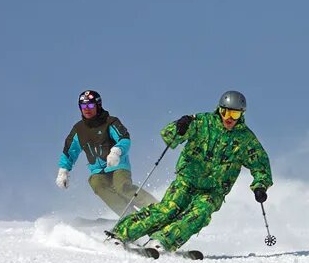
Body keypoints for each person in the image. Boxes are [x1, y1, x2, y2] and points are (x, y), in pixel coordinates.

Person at [110, 91, 272, 252]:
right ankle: (120, 234)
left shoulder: (246, 139)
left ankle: (162, 241)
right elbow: (168, 135)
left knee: (199, 214)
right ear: (219, 109)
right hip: (187, 180)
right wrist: (180, 125)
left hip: (213, 191)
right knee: (168, 209)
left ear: (241, 115)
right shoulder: (202, 122)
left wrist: (260, 186)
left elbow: (260, 165)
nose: (229, 118)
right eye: (225, 112)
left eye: (234, 114)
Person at [56, 90, 158, 214]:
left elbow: (124, 139)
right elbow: (69, 150)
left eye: (90, 105)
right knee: (96, 183)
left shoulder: (110, 122)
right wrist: (63, 171)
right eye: (83, 106)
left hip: (117, 164)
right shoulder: (79, 129)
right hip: (98, 170)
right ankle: (129, 216)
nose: (86, 109)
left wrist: (116, 151)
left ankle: (155, 207)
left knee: (122, 187)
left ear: (98, 106)